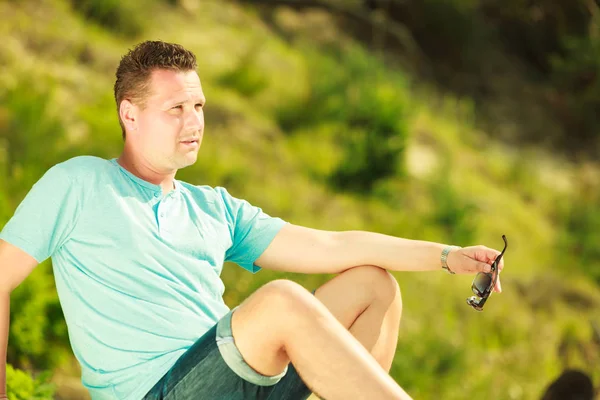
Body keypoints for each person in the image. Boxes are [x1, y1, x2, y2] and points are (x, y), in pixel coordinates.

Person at [0, 40, 505, 400]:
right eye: (176, 108)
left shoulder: (212, 206)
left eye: (198, 105)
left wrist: (446, 256)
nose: (194, 121)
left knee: (373, 284)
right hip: (160, 390)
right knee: (282, 300)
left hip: (232, 380)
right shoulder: (79, 184)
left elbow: (332, 246)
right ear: (129, 114)